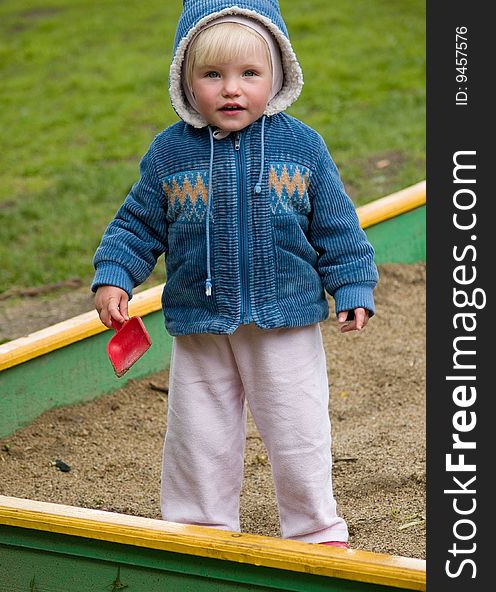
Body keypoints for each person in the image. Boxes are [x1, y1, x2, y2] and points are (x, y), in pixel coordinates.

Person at [92, 0, 378, 548]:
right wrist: (114, 275)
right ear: (185, 80)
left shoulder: (302, 147)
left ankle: (316, 529)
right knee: (198, 433)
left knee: (298, 431)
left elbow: (337, 225)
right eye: (212, 75)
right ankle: (199, 526)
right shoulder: (170, 154)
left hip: (285, 321)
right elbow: (136, 224)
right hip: (201, 323)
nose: (231, 89)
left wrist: (352, 285)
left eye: (250, 74)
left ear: (278, 75)